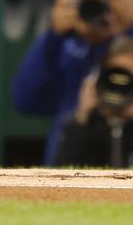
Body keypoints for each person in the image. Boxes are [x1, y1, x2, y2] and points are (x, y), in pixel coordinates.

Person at [13, 0, 133, 164]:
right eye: (97, 2)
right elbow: (25, 100)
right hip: (75, 164)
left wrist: (116, 40)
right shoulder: (73, 50)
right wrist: (53, 37)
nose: (107, 10)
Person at [54, 37, 133, 168]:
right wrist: (82, 118)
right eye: (115, 76)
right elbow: (62, 174)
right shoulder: (86, 125)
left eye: (128, 79)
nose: (120, 87)